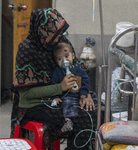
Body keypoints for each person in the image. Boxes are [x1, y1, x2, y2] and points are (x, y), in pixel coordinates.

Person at [10, 8, 101, 150]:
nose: (59, 38)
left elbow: (77, 70)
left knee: (92, 109)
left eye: (60, 33)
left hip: (65, 98)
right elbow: (26, 94)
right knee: (79, 115)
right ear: (43, 31)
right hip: (35, 105)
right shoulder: (27, 51)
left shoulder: (58, 42)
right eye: (55, 34)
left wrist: (85, 94)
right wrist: (60, 87)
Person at [51, 42, 97, 132]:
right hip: (69, 97)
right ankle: (68, 121)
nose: (64, 61)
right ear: (56, 61)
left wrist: (84, 93)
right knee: (66, 103)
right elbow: (54, 85)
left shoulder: (78, 69)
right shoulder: (57, 72)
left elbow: (86, 81)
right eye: (60, 59)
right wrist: (55, 97)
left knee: (94, 98)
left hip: (80, 96)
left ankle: (88, 111)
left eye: (66, 56)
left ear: (73, 55)